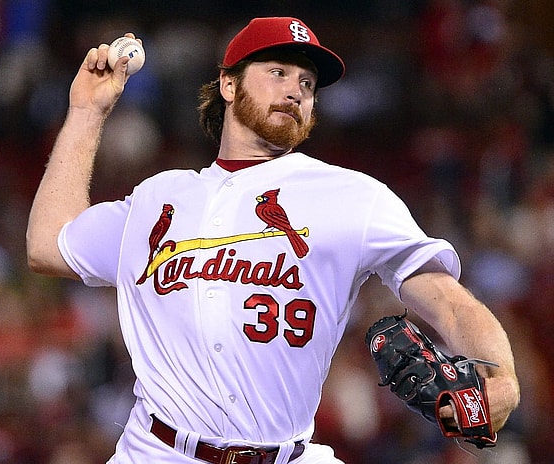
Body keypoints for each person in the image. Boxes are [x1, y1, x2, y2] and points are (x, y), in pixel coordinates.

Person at [26, 16, 520, 464]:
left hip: (287, 455)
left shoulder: (352, 197)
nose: (295, 91)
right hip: (156, 452)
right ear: (228, 84)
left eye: (307, 83)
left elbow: (447, 300)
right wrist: (86, 112)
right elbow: (47, 245)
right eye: (278, 72)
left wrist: (502, 379)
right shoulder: (158, 198)